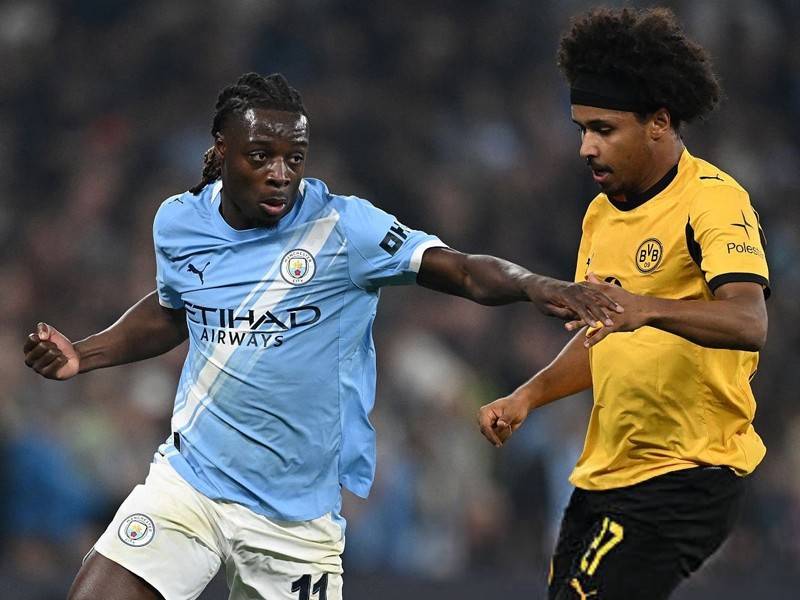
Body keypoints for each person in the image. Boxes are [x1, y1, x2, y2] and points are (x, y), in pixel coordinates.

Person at [23, 72, 621, 600]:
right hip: (191, 484)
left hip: (294, 521)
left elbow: (461, 270)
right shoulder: (179, 222)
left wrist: (535, 284)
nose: (281, 175)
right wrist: (84, 354)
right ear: (222, 150)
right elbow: (174, 311)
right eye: (261, 156)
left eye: (295, 158)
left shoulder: (343, 228)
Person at [477, 7, 770, 600]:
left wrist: (648, 307)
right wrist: (527, 396)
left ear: (659, 122)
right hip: (607, 473)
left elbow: (749, 320)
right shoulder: (600, 215)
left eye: (604, 129)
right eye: (581, 129)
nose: (586, 147)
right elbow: (602, 339)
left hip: (689, 473)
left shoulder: (713, 201)